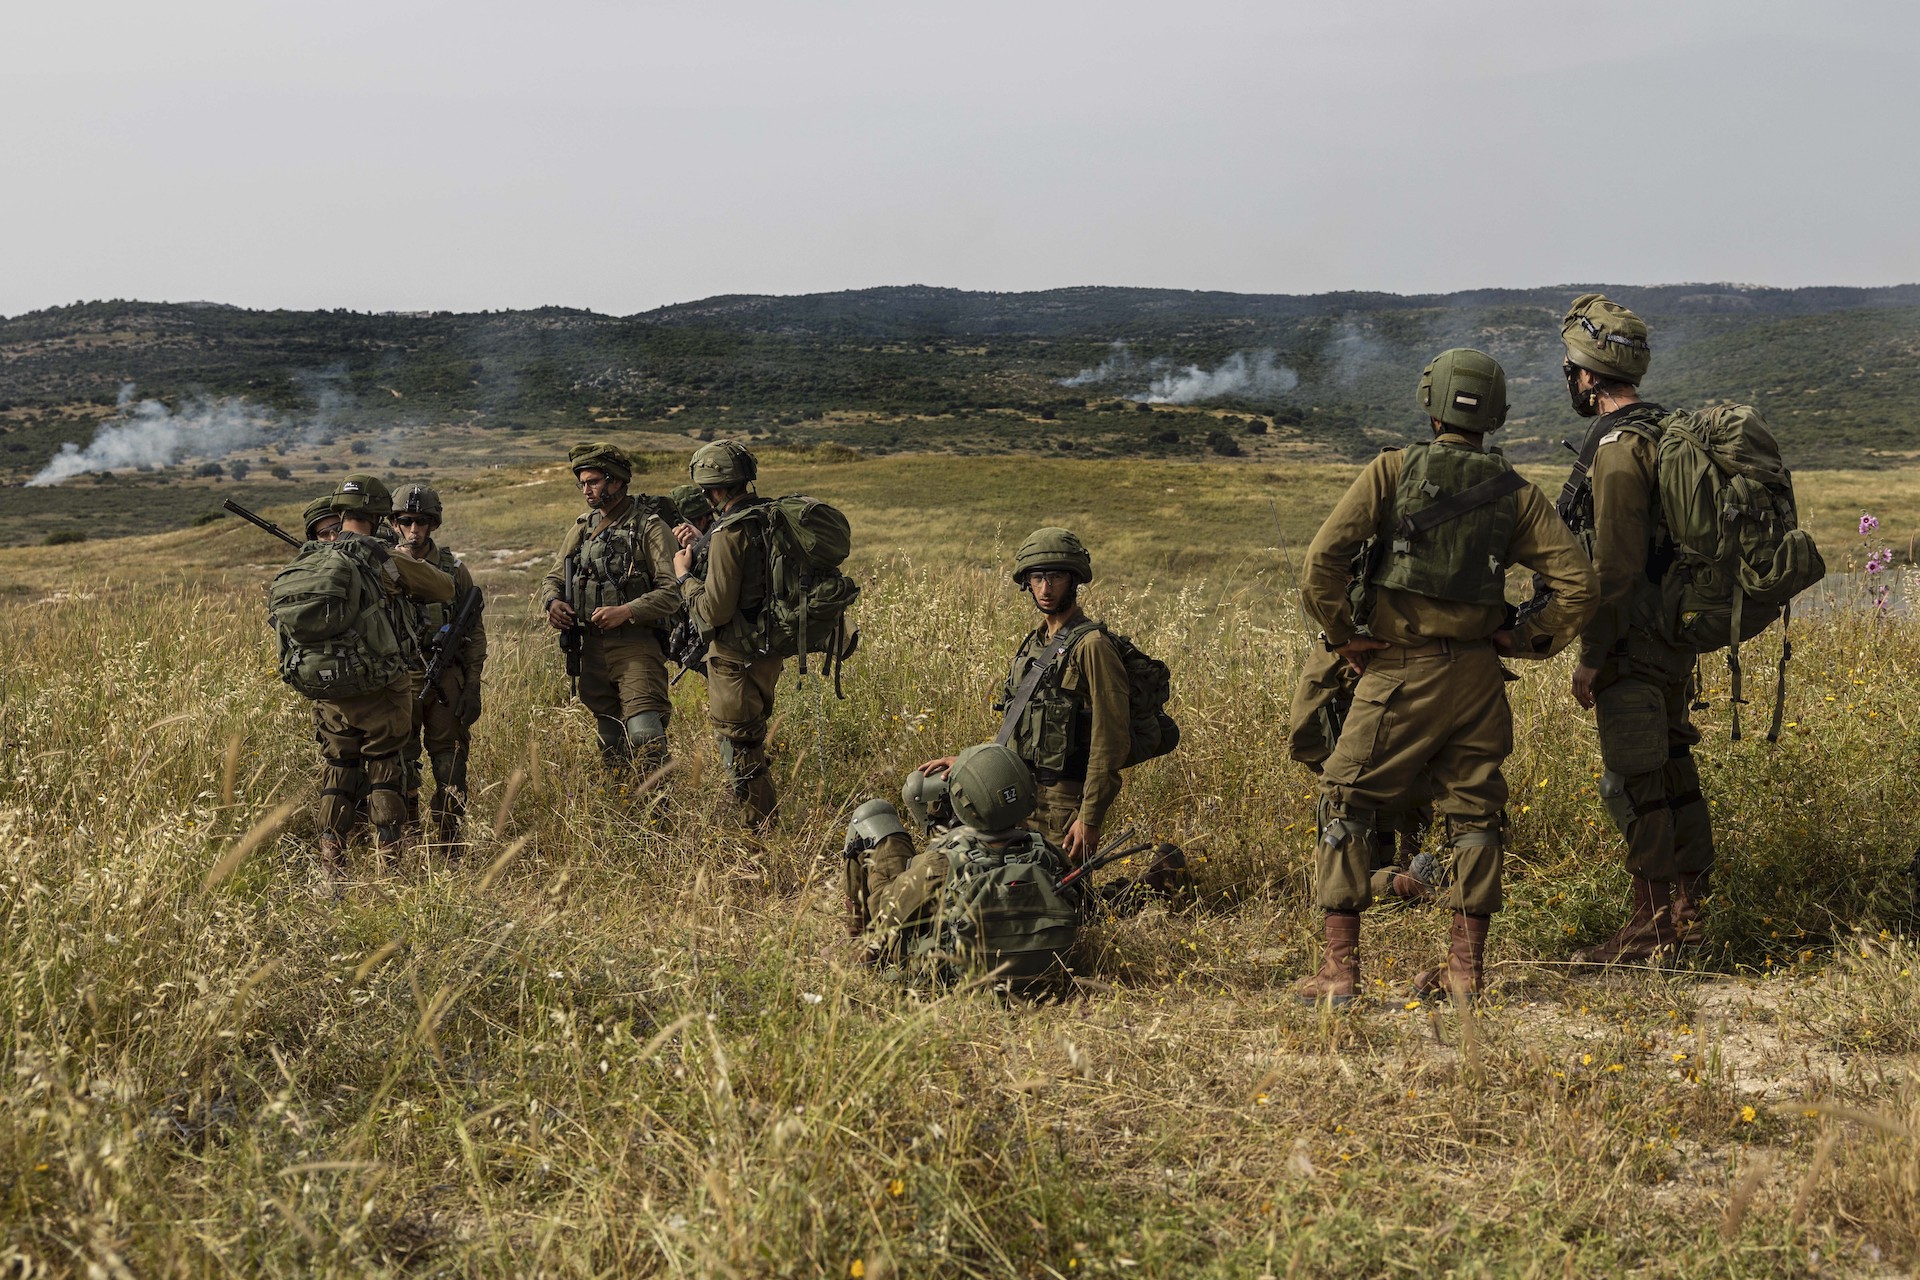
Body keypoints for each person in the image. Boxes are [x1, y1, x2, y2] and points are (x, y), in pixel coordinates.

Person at [1292, 349, 1598, 1004]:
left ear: (1430, 403)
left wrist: (1345, 637)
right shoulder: (1516, 492)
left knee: (1344, 798)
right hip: (1481, 681)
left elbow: (1321, 562)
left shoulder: (1391, 471)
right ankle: (1466, 974)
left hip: (1399, 670)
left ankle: (1340, 973)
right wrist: (1520, 638)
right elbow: (1577, 585)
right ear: (1497, 414)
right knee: (1473, 813)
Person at [1557, 294, 1716, 965]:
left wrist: (1593, 655)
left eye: (1572, 367)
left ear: (1589, 376)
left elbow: (1615, 571)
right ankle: (1690, 918)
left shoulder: (1619, 452)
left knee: (1638, 782)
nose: (1570, 377)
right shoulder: (1660, 432)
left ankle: (1652, 926)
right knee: (1675, 770)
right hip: (1670, 637)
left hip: (1634, 642)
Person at [921, 528, 1129, 866]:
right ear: (1027, 582)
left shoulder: (1092, 646)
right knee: (925, 788)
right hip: (1015, 789)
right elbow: (1023, 723)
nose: (1046, 588)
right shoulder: (1035, 643)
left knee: (1051, 901)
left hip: (1060, 801)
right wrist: (974, 763)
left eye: (1056, 577)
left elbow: (1111, 739)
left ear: (1074, 580)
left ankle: (1159, 877)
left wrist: (1089, 818)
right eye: (1037, 577)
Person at [283, 476, 454, 886]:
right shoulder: (378, 556)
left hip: (328, 688)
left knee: (339, 768)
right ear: (379, 515)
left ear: (338, 512)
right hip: (381, 686)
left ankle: (332, 866)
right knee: (385, 770)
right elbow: (442, 586)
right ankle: (390, 866)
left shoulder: (312, 555)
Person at [539, 442, 680, 773]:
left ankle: (658, 812)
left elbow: (673, 592)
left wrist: (627, 610)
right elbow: (554, 577)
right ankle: (622, 807)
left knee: (645, 732)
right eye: (582, 483)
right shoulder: (583, 527)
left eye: (593, 482)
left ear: (615, 481)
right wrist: (553, 602)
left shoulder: (650, 527)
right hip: (592, 646)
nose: (586, 490)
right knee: (610, 738)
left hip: (636, 645)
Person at [675, 441, 784, 825]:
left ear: (715, 489)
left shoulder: (728, 533)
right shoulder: (764, 516)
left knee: (741, 745)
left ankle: (761, 828)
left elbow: (714, 609)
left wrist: (684, 576)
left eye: (707, 491)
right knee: (749, 739)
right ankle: (758, 818)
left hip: (736, 656)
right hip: (765, 648)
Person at [1288, 648, 1438, 902]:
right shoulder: (1406, 641)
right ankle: (1410, 871)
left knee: (1343, 881)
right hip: (1403, 776)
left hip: (1352, 781)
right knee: (1386, 850)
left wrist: (1322, 765)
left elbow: (1301, 725)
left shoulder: (1337, 649)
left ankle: (1405, 883)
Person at [392, 483, 486, 844]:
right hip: (399, 680)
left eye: (422, 522)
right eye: (406, 521)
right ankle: (408, 835)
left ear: (433, 524)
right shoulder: (384, 566)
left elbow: (474, 632)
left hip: (447, 680)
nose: (414, 530)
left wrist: (473, 685)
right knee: (401, 762)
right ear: (395, 522)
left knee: (451, 761)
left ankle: (449, 839)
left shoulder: (454, 569)